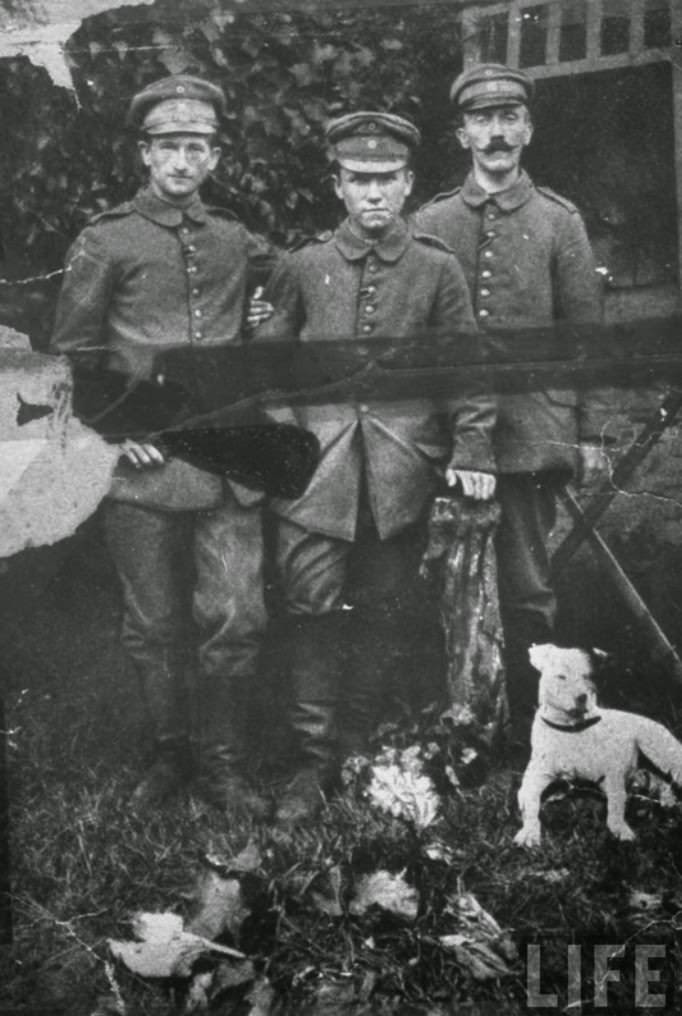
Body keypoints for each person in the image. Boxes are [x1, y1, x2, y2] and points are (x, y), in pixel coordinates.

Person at [256, 111, 496, 826]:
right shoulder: (302, 267)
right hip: (314, 481)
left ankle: (357, 744)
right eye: (358, 179)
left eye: (386, 179)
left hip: (398, 477)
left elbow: (470, 370)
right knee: (310, 613)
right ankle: (312, 760)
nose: (373, 194)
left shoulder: (435, 267)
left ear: (409, 182)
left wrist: (474, 448)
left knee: (384, 613)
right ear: (337, 184)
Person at [51, 74, 274, 815]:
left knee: (236, 615)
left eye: (198, 147)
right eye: (170, 147)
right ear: (145, 153)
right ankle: (168, 757)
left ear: (214, 157)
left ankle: (223, 767)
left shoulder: (236, 239)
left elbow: (275, 304)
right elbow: (71, 356)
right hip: (140, 469)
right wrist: (117, 426)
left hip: (228, 464)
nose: (184, 161)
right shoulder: (106, 239)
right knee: (154, 623)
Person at [416, 63, 606, 743]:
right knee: (442, 575)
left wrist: (586, 434)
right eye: (481, 120)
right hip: (446, 436)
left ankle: (535, 722)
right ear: (462, 132)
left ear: (527, 127)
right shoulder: (431, 220)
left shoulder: (560, 221)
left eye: (508, 119)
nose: (495, 134)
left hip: (529, 434)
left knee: (528, 587)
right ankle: (459, 710)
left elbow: (583, 341)